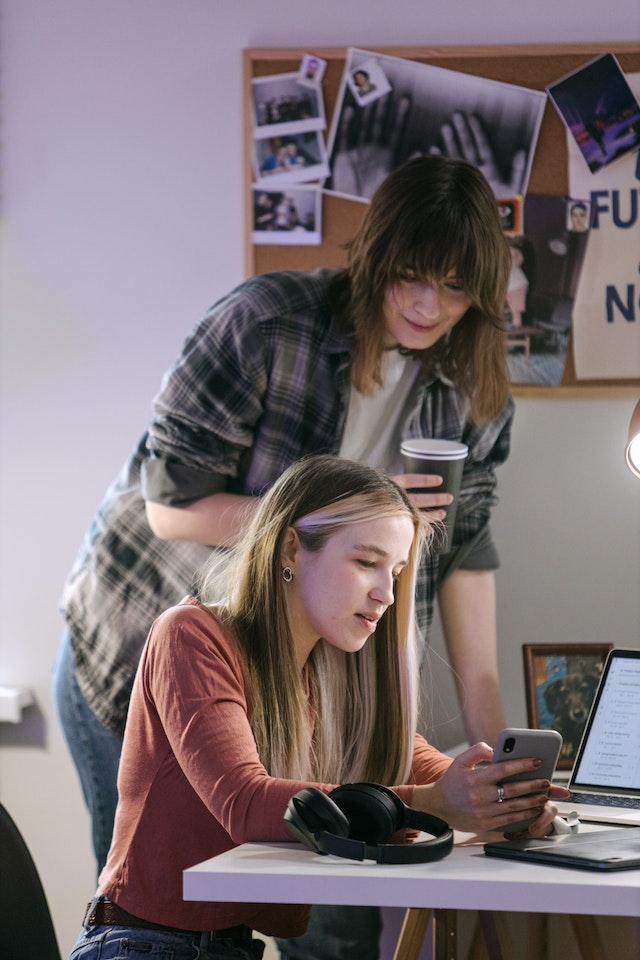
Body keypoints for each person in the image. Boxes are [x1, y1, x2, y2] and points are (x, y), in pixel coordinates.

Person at [55, 154, 514, 951]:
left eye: (451, 287)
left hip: (299, 666)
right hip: (137, 643)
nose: (424, 304)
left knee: (325, 913)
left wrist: (501, 768)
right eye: (409, 276)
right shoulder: (267, 323)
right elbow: (170, 508)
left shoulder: (468, 397)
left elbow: (467, 553)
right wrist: (354, 511)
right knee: (166, 896)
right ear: (373, 258)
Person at [68, 455, 568, 960]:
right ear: (290, 548)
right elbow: (245, 803)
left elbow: (419, 765)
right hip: (139, 945)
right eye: (366, 563)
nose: (386, 594)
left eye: (395, 571)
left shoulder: (328, 679)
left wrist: (503, 798)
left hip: (229, 949)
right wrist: (436, 803)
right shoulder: (190, 636)